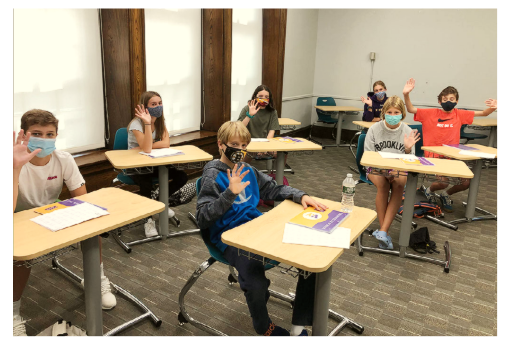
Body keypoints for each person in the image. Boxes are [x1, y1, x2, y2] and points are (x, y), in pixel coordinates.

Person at [196, 121, 327, 336]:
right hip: (230, 237)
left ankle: (298, 324)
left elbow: (274, 188)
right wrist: (230, 193)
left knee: (311, 258)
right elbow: (202, 218)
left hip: (257, 228)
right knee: (253, 275)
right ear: (220, 145)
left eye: (244, 145)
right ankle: (263, 326)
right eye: (234, 144)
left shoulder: (248, 169)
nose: (239, 150)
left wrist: (300, 195)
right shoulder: (212, 175)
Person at [13, 110, 117, 336]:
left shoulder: (63, 159)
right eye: (37, 133)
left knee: (92, 229)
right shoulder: (12, 162)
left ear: (56, 135)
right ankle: (11, 313)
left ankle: (96, 281)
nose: (45, 138)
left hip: (50, 212)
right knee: (20, 257)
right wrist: (14, 168)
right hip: (17, 218)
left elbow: (82, 199)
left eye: (50, 134)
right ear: (25, 135)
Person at [402, 78, 497, 211]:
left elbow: (484, 113)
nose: (448, 101)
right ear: (439, 101)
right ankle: (428, 191)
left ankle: (445, 195)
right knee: (443, 182)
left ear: (457, 101)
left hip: (453, 155)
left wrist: (493, 107)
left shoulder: (460, 114)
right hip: (434, 155)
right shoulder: (430, 113)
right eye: (445, 99)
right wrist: (406, 94)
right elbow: (411, 109)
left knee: (466, 182)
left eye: (452, 99)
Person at [127, 91, 188, 236]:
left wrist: (146, 145)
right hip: (135, 166)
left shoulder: (161, 121)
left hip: (155, 163)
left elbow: (166, 143)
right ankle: (148, 221)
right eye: (153, 104)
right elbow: (147, 148)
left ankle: (160, 203)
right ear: (145, 107)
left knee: (182, 177)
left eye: (160, 103)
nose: (158, 106)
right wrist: (148, 124)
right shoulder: (136, 124)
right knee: (146, 184)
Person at [364, 96, 420, 249]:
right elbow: (367, 156)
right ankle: (384, 231)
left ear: (402, 114)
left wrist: (408, 149)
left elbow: (411, 160)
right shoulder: (374, 129)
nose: (393, 115)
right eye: (389, 112)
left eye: (396, 112)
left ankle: (382, 232)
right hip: (375, 167)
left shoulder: (407, 131)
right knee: (382, 185)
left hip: (399, 168)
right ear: (384, 113)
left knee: (399, 184)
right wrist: (383, 169)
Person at [237, 85, 280, 163]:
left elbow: (271, 131)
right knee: (245, 157)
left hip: (265, 140)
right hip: (248, 141)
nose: (263, 98)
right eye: (260, 96)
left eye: (266, 96)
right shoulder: (247, 108)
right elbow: (240, 128)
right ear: (255, 97)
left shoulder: (273, 112)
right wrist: (249, 115)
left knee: (279, 152)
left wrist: (265, 146)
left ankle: (276, 174)